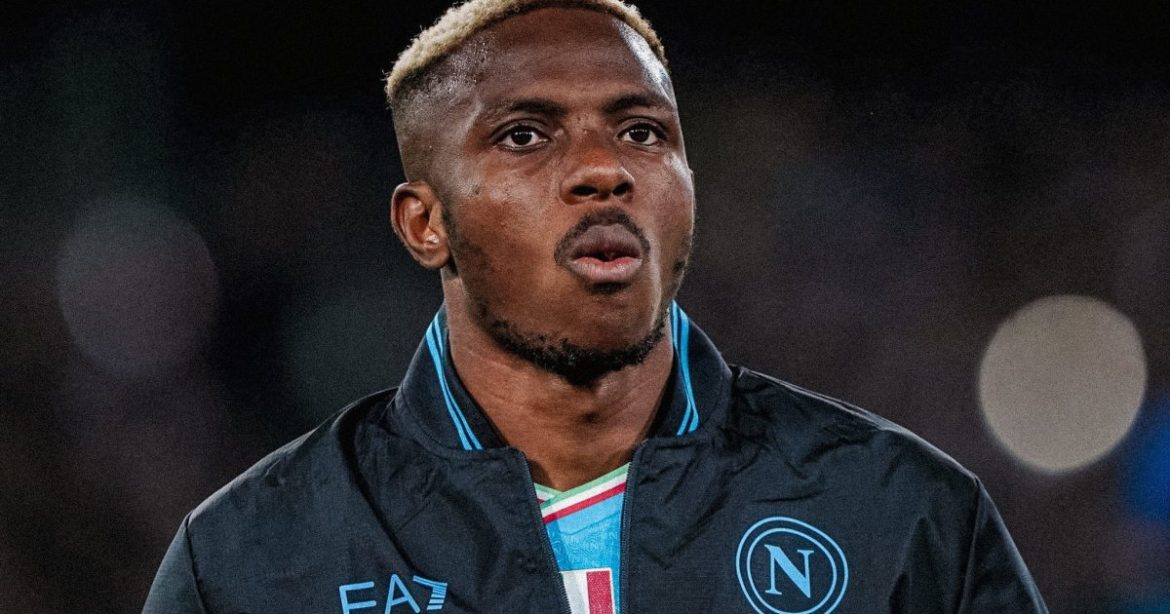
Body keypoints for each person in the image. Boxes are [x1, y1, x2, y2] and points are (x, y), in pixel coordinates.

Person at [143, 0, 1049, 612]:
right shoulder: (252, 559)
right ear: (426, 224)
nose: (603, 169)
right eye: (525, 135)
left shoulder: (904, 515)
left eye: (642, 131)